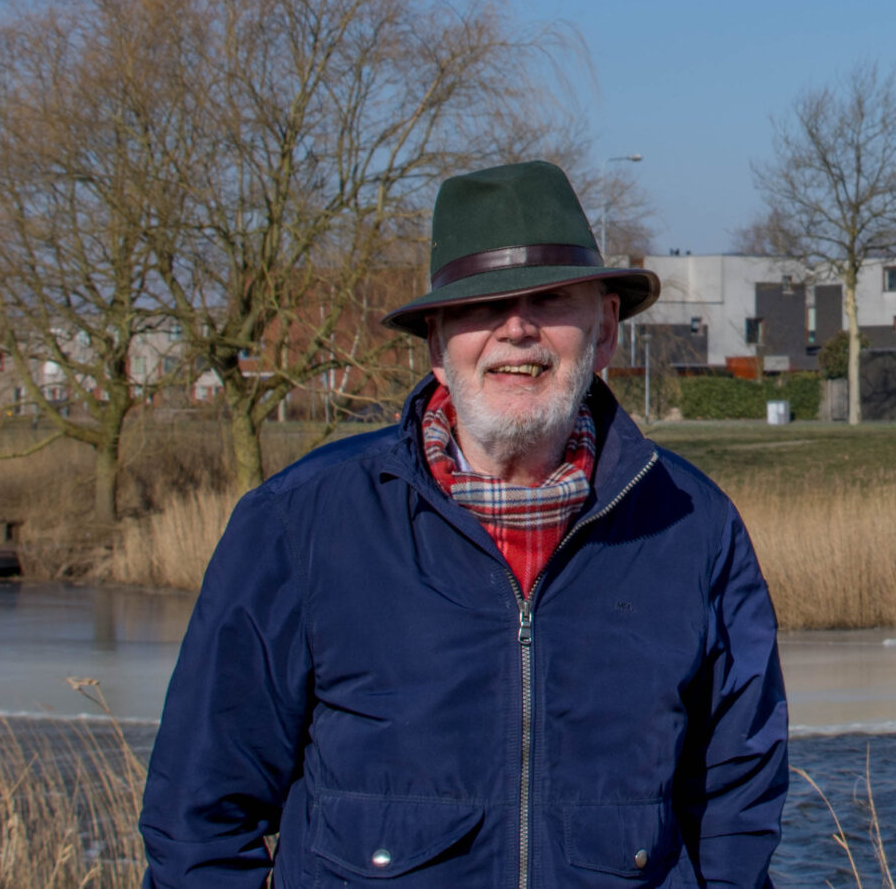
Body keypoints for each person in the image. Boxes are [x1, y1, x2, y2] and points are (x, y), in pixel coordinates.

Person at [141, 160, 788, 888]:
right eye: (483, 307)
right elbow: (199, 818)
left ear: (604, 329)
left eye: (549, 299)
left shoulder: (693, 527)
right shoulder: (300, 526)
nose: (517, 329)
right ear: (437, 344)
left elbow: (736, 812)